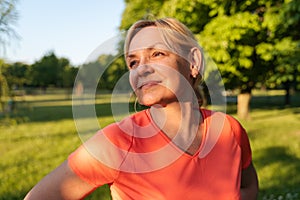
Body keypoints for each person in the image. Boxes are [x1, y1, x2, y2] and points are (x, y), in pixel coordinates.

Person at [25, 17, 258, 200]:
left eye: (157, 54)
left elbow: (248, 187)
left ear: (193, 62)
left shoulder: (229, 130)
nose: (141, 69)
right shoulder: (118, 143)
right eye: (133, 62)